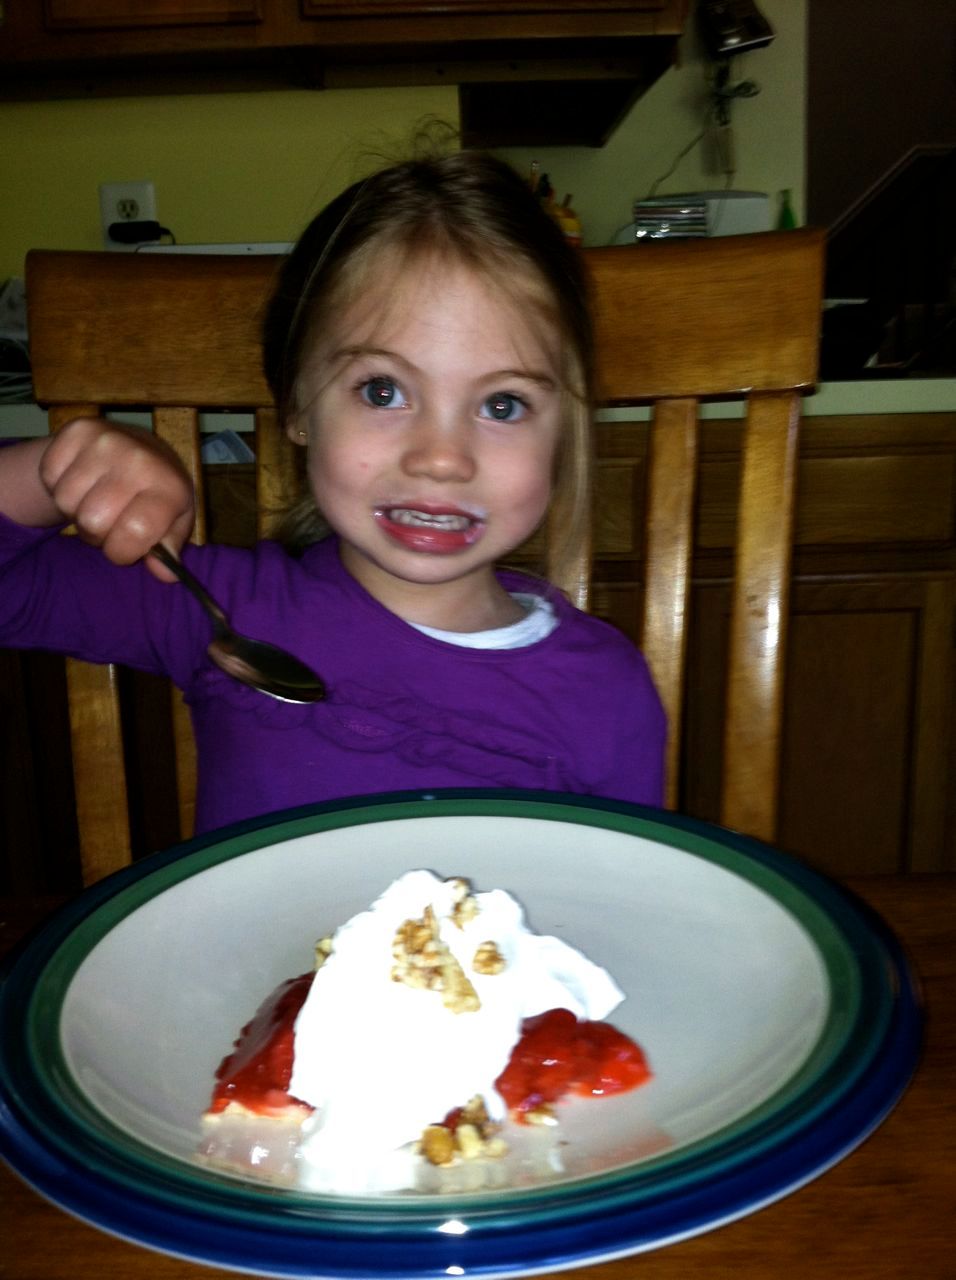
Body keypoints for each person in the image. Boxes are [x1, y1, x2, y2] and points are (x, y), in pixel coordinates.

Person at [0, 151, 665, 836]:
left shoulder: (605, 691)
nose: (441, 459)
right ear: (298, 406)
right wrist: (51, 468)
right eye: (383, 391)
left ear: (563, 434)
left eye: (503, 404)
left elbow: (631, 893)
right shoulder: (219, 610)